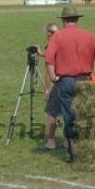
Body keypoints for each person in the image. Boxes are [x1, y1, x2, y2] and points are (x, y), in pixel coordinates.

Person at [45, 6, 95, 162]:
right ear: (77, 19)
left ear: (63, 20)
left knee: (69, 116)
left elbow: (49, 59)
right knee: (84, 114)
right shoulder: (89, 35)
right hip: (86, 81)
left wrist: (53, 77)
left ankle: (72, 149)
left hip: (66, 81)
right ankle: (86, 146)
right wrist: (93, 74)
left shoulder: (58, 37)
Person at [37, 22, 62, 151]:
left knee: (51, 113)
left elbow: (48, 71)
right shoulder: (62, 43)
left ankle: (51, 141)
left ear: (48, 34)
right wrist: (41, 53)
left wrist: (47, 90)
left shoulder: (51, 45)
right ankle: (68, 141)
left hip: (56, 83)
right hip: (68, 80)